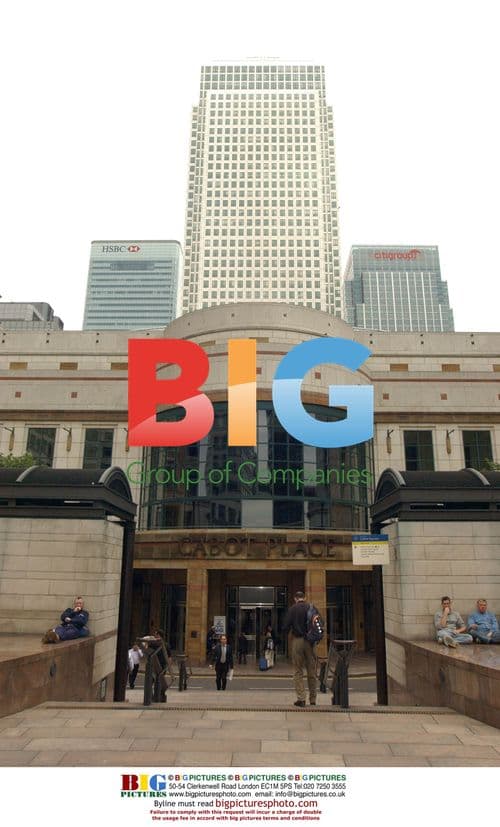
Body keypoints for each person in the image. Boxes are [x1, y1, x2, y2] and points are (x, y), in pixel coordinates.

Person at [282, 590, 317, 707]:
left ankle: (301, 699)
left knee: (298, 670)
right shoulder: (311, 608)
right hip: (311, 642)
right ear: (305, 597)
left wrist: (285, 635)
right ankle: (313, 699)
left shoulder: (293, 609)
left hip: (298, 640)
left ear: (295, 598)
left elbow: (286, 625)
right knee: (311, 671)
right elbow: (319, 624)